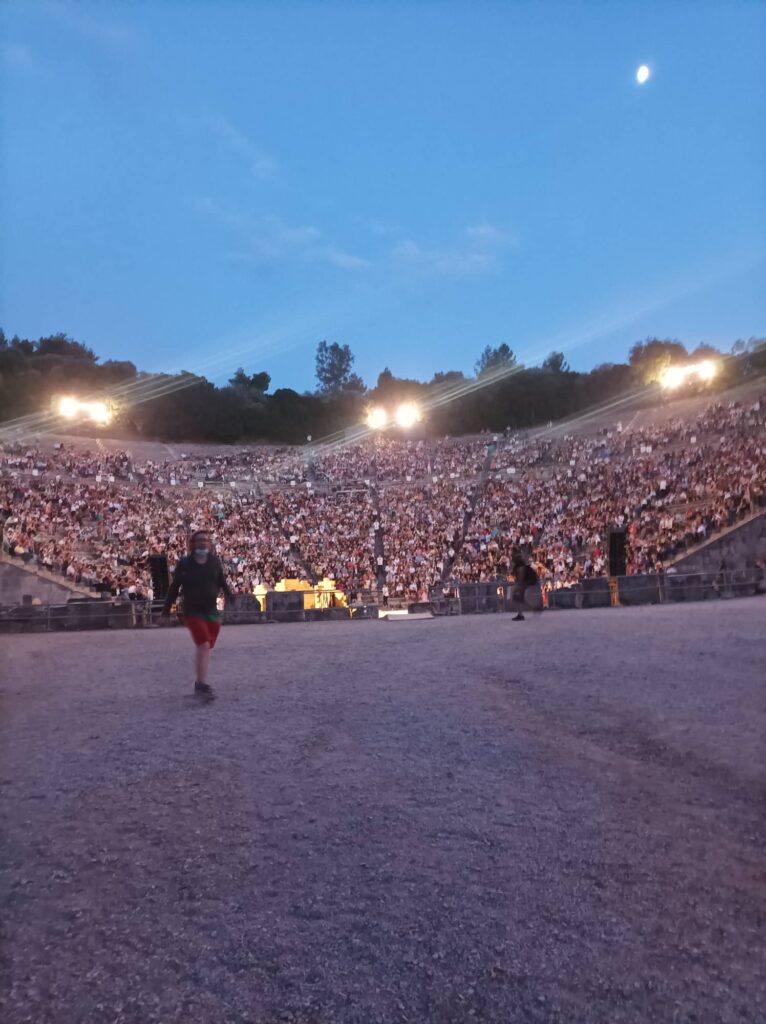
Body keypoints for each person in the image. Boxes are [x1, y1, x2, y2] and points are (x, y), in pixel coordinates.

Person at [161, 530, 232, 700]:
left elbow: (221, 580)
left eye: (205, 540)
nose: (202, 543)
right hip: (192, 611)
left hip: (211, 611)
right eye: (199, 540)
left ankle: (201, 681)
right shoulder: (185, 564)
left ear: (209, 544)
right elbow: (174, 587)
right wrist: (166, 610)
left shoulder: (214, 562)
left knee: (207, 645)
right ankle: (201, 684)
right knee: (204, 645)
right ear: (193, 544)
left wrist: (230, 595)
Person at [509, 550, 539, 622]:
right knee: (517, 597)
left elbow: (521, 578)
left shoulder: (520, 566)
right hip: (526, 582)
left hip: (527, 582)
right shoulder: (518, 566)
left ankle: (520, 614)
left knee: (517, 596)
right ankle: (520, 614)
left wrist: (519, 586)